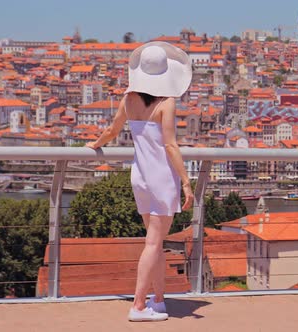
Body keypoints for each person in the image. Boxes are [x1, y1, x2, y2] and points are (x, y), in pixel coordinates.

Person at [86, 41, 194, 322]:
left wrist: (94, 144)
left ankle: (158, 300)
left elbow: (112, 130)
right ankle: (138, 305)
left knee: (155, 242)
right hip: (161, 179)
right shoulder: (165, 103)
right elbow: (170, 146)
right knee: (153, 243)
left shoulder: (128, 99)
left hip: (140, 177)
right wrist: (186, 182)